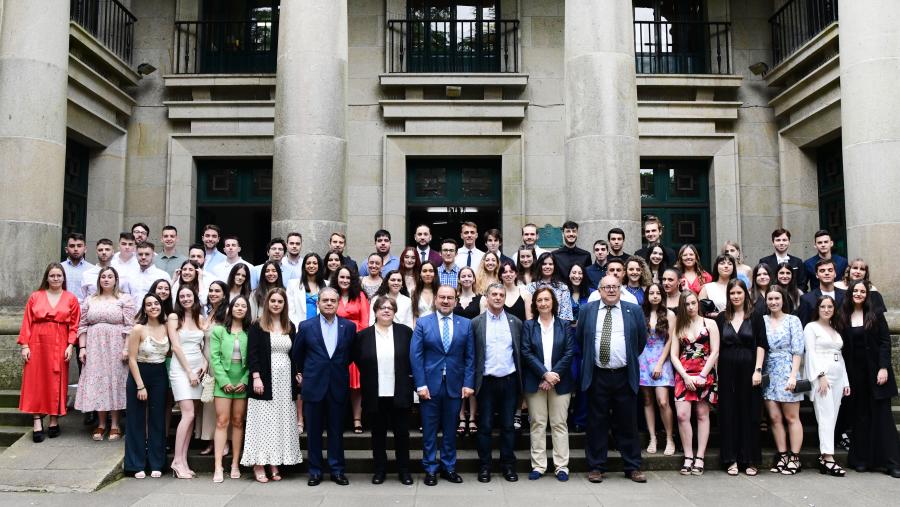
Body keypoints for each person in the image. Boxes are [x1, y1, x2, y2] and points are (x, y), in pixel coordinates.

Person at [578, 275, 649, 484]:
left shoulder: (633, 310)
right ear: (599, 290)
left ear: (620, 289)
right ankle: (596, 467)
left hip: (624, 374)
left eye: (615, 287)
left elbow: (640, 341)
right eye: (606, 287)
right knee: (596, 423)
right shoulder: (587, 310)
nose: (611, 290)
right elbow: (581, 339)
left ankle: (632, 466)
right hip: (597, 374)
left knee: (627, 423)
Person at [410, 285, 476, 486]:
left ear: (456, 301)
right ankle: (430, 469)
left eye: (449, 298)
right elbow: (416, 355)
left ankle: (448, 467)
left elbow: (470, 357)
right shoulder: (423, 323)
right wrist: (420, 384)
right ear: (436, 300)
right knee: (429, 431)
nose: (446, 301)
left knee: (450, 430)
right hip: (429, 386)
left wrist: (468, 383)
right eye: (442, 297)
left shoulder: (466, 324)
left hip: (455, 386)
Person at [293, 287, 355, 485]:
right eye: (325, 300)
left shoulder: (349, 327)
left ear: (338, 304)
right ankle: (315, 471)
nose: (329, 303)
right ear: (318, 303)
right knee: (314, 432)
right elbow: (297, 354)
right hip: (314, 385)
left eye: (332, 301)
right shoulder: (306, 326)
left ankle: (337, 470)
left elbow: (350, 355)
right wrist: (305, 373)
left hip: (337, 384)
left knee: (336, 431)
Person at [839, 280, 900, 477]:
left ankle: (892, 463)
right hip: (855, 374)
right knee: (860, 417)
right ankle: (862, 459)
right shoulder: (843, 316)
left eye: (862, 291)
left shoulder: (875, 314)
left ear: (867, 295)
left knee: (883, 418)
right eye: (855, 291)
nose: (858, 294)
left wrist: (883, 368)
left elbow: (884, 342)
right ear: (850, 293)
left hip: (876, 373)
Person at [352, 295, 415, 485]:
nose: (386, 310)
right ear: (375, 311)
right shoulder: (363, 336)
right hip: (375, 393)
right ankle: (379, 470)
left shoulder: (405, 332)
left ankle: (404, 471)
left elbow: (412, 359)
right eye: (382, 308)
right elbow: (359, 360)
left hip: (399, 392)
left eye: (390, 308)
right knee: (378, 435)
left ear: (395, 312)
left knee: (402, 434)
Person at [243, 287, 302, 483]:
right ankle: (259, 464)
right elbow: (252, 353)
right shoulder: (257, 325)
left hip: (285, 382)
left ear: (285, 305)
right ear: (267, 303)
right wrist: (256, 377)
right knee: (262, 422)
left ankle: (274, 462)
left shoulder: (289, 326)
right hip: (265, 380)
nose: (276, 304)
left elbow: (294, 354)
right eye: (273, 301)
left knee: (279, 422)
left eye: (280, 301)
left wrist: (297, 373)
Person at [18, 263, 80, 442]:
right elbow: (27, 322)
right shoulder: (35, 296)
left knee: (56, 380)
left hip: (60, 342)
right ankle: (37, 420)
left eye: (59, 275)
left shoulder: (71, 298)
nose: (55, 278)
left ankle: (53, 420)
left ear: (63, 278)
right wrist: (25, 346)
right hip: (36, 342)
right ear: (47, 277)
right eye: (52, 275)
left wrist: (70, 345)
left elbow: (74, 325)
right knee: (35, 381)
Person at [76, 266, 135, 442]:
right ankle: (101, 423)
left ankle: (115, 423)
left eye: (110, 276)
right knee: (98, 381)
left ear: (116, 280)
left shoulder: (124, 298)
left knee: (115, 381)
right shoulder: (90, 299)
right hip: (94, 346)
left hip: (116, 345)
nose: (106, 279)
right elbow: (82, 325)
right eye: (103, 277)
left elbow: (130, 325)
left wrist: (126, 348)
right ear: (99, 280)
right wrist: (83, 348)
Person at [520, 287, 574, 481]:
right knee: (538, 423)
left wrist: (553, 376)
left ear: (553, 302)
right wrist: (544, 374)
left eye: (547, 299)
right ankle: (539, 466)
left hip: (560, 382)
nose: (543, 303)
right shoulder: (529, 326)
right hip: (536, 382)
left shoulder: (564, 325)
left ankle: (561, 467)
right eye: (539, 300)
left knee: (559, 424)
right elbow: (526, 352)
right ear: (535, 304)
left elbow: (569, 352)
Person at [471, 283, 523, 483]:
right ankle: (485, 467)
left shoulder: (515, 322)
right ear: (486, 297)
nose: (498, 297)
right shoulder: (476, 323)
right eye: (494, 294)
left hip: (509, 381)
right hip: (486, 382)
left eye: (501, 294)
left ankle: (508, 466)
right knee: (485, 426)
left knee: (508, 426)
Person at [715, 279, 767, 476]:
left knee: (750, 414)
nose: (736, 296)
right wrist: (717, 374)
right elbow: (716, 348)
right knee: (729, 414)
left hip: (749, 370)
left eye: (739, 292)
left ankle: (750, 459)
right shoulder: (722, 318)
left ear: (745, 294)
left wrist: (758, 370)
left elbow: (761, 344)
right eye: (732, 293)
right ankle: (731, 458)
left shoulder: (756, 316)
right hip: (726, 370)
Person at [670, 290, 719, 476]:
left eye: (693, 303)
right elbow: (674, 355)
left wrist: (703, 375)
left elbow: (715, 351)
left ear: (698, 303)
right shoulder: (679, 325)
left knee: (702, 414)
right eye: (686, 304)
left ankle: (700, 457)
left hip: (704, 372)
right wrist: (685, 376)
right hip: (684, 374)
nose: (690, 307)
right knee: (682, 415)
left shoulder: (710, 323)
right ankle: (688, 456)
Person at [803, 295, 850, 477]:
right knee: (825, 416)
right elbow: (810, 353)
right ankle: (828, 457)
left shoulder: (835, 328)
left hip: (838, 375)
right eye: (823, 306)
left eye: (830, 307)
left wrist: (845, 381)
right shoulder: (811, 327)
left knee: (833, 416)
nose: (827, 310)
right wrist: (820, 375)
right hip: (822, 376)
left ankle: (826, 459)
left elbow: (840, 356)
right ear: (818, 309)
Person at [124, 293, 169, 478]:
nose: (153, 307)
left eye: (156, 303)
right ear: (144, 308)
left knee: (157, 418)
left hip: (160, 373)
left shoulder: (167, 327)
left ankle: (157, 462)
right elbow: (131, 359)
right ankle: (136, 464)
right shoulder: (138, 329)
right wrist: (140, 386)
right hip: (139, 373)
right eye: (148, 304)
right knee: (136, 419)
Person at [762, 285, 805, 475]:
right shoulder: (762, 320)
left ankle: (795, 457)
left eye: (776, 298)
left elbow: (798, 350)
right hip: (769, 371)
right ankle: (782, 455)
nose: (773, 302)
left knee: (791, 417)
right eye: (770, 299)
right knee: (774, 417)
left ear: (783, 300)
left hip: (788, 369)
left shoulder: (792, 320)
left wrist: (793, 375)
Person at [167, 286, 208, 478]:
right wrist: (189, 372)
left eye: (188, 295)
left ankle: (183, 460)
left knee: (192, 415)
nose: (185, 299)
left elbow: (203, 345)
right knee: (188, 413)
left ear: (195, 297)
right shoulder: (174, 317)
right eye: (182, 296)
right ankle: (176, 461)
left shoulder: (200, 318)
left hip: (198, 368)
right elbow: (175, 346)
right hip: (181, 369)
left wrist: (205, 363)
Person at [209, 296, 251, 483]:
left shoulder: (250, 332)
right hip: (223, 382)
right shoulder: (219, 331)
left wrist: (245, 379)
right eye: (237, 305)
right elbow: (215, 358)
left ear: (247, 310)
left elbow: (254, 358)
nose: (240, 308)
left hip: (242, 381)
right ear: (230, 308)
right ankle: (218, 466)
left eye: (243, 306)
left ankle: (235, 463)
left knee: (238, 421)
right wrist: (223, 380)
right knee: (221, 421)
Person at [638, 283, 676, 456]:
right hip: (643, 359)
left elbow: (670, 341)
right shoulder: (641, 313)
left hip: (662, 359)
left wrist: (660, 363)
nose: (654, 296)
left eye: (658, 293)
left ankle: (669, 438)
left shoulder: (669, 314)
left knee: (663, 401)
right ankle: (652, 437)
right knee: (647, 400)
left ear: (662, 295)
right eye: (651, 293)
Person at [331, 264, 369, 434]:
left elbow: (365, 321)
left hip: (355, 343)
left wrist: (357, 341)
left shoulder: (360, 296)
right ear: (336, 279)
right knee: (338, 383)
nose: (345, 280)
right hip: (335, 344)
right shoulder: (331, 296)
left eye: (348, 277)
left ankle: (357, 419)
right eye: (342, 277)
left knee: (356, 385)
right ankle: (338, 419)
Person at [197, 281, 229, 455]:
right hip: (205, 361)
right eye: (211, 290)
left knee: (220, 403)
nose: (213, 293)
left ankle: (224, 441)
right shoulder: (208, 312)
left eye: (217, 291)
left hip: (219, 361)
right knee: (208, 403)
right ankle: (210, 440)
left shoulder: (227, 313)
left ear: (224, 295)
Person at [797, 258, 846, 326]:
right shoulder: (806, 299)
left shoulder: (846, 295)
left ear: (835, 274)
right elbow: (804, 325)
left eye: (830, 270)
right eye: (822, 271)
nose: (827, 273)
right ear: (817, 275)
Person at [526, 253, 574, 321]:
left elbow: (566, 316)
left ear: (554, 266)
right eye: (544, 264)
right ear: (539, 266)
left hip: (560, 326)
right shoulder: (531, 287)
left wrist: (555, 326)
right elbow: (530, 315)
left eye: (550, 264)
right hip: (536, 326)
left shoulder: (563, 288)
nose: (547, 266)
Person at [287, 252, 325, 328]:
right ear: (304, 266)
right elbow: (290, 310)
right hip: (299, 327)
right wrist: (299, 327)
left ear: (319, 266)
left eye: (315, 263)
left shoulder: (327, 285)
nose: (311, 266)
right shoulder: (293, 284)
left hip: (321, 328)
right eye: (308, 263)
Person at [132, 242, 171, 307]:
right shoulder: (130, 275)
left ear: (153, 255)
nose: (143, 257)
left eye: (147, 254)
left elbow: (169, 300)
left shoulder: (163, 276)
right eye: (140, 254)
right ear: (136, 255)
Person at [62, 233, 93, 303]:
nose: (76, 249)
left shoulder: (92, 269)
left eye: (79, 246)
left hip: (84, 307)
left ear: (85, 249)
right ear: (66, 249)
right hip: (63, 307)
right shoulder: (59, 268)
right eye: (72, 246)